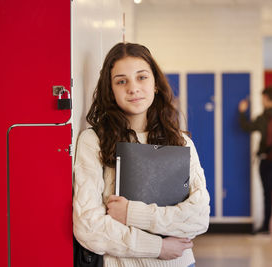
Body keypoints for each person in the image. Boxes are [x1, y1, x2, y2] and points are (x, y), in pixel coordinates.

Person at [73, 42, 210, 267]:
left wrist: (131, 213)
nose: (133, 88)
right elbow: (88, 226)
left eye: (142, 77)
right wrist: (159, 248)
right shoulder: (94, 141)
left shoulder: (181, 141)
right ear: (111, 90)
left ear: (155, 83)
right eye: (121, 81)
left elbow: (198, 217)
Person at [238, 86, 272, 235]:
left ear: (265, 98)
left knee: (267, 193)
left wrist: (241, 112)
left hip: (267, 160)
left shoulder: (263, 117)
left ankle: (266, 226)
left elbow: (247, 127)